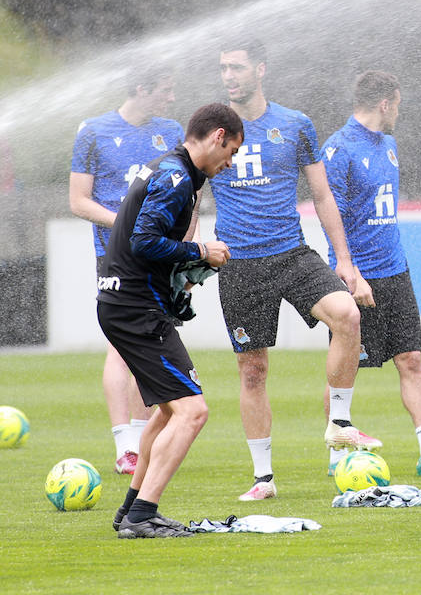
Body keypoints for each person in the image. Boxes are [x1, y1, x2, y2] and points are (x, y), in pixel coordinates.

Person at [212, 39, 378, 501]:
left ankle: (340, 423)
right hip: (239, 263)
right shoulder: (211, 128)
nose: (229, 76)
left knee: (347, 315)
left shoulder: (295, 124)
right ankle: (263, 479)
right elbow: (191, 195)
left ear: (260, 69)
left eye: (237, 67)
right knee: (253, 370)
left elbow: (322, 196)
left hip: (290, 252)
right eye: (223, 68)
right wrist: (187, 255)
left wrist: (343, 260)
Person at [100, 103, 242, 538]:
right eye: (232, 151)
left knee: (167, 412)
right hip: (134, 310)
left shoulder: (175, 171)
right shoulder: (176, 176)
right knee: (193, 412)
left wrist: (179, 285)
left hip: (129, 304)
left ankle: (130, 511)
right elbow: (144, 241)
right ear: (217, 136)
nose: (230, 162)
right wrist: (200, 252)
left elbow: (147, 245)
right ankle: (144, 515)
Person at [322, 72, 421, 478]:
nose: (399, 111)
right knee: (344, 369)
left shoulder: (390, 145)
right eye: (397, 104)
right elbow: (333, 218)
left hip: (395, 270)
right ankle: (336, 452)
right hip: (356, 276)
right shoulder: (338, 149)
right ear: (385, 103)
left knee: (411, 359)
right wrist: (349, 273)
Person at [69, 69, 183, 475]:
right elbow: (79, 201)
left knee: (150, 342)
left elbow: (188, 195)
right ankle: (125, 445)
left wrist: (188, 251)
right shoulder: (94, 132)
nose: (171, 99)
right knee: (120, 344)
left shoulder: (171, 131)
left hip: (159, 256)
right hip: (115, 256)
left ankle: (141, 438)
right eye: (165, 90)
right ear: (141, 88)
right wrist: (125, 223)